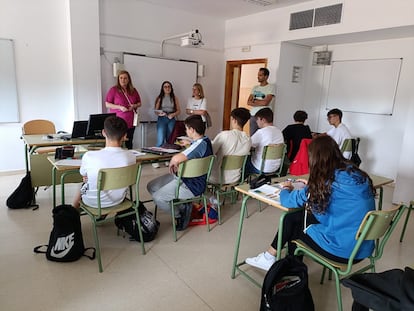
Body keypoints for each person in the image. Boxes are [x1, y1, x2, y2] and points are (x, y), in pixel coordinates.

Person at [245, 135, 376, 271]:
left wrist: (285, 188)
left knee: (293, 222)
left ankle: (289, 270)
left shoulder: (326, 182)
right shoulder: (356, 173)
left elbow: (288, 201)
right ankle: (271, 258)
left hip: (342, 250)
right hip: (363, 247)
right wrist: (313, 187)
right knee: (298, 218)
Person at [147, 115, 213, 228]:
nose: (186, 131)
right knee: (152, 186)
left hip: (190, 185)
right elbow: (193, 151)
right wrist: (188, 144)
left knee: (158, 198)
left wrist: (174, 160)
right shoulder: (205, 141)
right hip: (185, 178)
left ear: (192, 130)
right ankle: (182, 205)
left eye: (187, 129)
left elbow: (176, 159)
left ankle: (180, 214)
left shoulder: (199, 145)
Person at [73, 116, 136, 208]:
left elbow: (83, 174)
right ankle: (101, 216)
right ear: (125, 136)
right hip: (118, 201)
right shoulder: (131, 156)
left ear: (103, 133)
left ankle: (72, 212)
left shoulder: (89, 156)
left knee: (83, 185)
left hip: (92, 202)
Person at [209, 107, 251, 184]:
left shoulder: (224, 135)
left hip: (217, 177)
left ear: (234, 120)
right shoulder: (248, 139)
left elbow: (210, 151)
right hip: (235, 177)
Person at [105, 70, 142, 149]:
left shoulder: (133, 90)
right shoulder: (114, 90)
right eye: (121, 78)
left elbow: (139, 103)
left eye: (125, 78)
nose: (123, 80)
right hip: (118, 122)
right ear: (118, 79)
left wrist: (134, 106)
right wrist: (119, 107)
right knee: (118, 142)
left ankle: (129, 158)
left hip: (131, 121)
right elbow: (107, 104)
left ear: (128, 79)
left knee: (129, 141)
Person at [245, 107, 284, 176]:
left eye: (257, 120)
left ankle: (242, 184)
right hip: (276, 168)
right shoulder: (279, 132)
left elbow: (248, 145)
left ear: (262, 119)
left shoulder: (261, 132)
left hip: (260, 168)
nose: (256, 122)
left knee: (244, 161)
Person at [247, 68, 276, 135]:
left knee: (264, 136)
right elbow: (248, 102)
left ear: (266, 76)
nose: (258, 77)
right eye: (258, 75)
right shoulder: (255, 87)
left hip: (265, 117)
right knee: (253, 136)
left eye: (260, 75)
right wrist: (261, 101)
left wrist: (255, 100)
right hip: (253, 115)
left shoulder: (271, 87)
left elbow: (266, 103)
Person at [154, 81, 181, 147]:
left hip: (171, 119)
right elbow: (155, 111)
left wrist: (173, 115)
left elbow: (179, 111)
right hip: (162, 119)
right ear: (162, 88)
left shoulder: (174, 98)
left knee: (170, 139)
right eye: (165, 87)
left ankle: (168, 155)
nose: (167, 88)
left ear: (171, 88)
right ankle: (159, 155)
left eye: (169, 87)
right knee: (161, 139)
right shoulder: (160, 98)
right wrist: (160, 113)